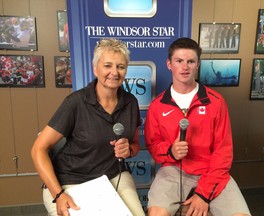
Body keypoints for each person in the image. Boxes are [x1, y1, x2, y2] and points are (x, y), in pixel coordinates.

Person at [31, 38, 145, 216]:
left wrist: (128, 150)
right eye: (107, 65)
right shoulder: (75, 102)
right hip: (70, 180)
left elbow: (136, 144)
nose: (114, 72)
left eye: (120, 67)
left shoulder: (131, 102)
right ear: (95, 68)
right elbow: (38, 149)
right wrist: (59, 194)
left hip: (113, 176)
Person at [144, 37, 251, 216]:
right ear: (169, 64)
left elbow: (223, 152)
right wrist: (171, 151)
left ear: (197, 65)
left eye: (190, 61)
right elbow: (153, 145)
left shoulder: (216, 102)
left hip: (212, 171)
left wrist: (203, 194)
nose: (185, 67)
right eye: (179, 61)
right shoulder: (157, 105)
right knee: (156, 213)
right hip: (173, 169)